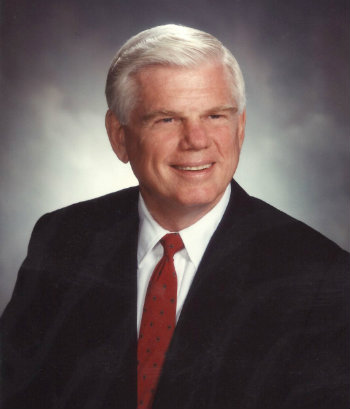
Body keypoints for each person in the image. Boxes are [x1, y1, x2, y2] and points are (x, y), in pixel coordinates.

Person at [0, 24, 349, 409]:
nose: (196, 140)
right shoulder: (63, 237)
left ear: (241, 127)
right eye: (167, 119)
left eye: (215, 116)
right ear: (119, 136)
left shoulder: (320, 277)